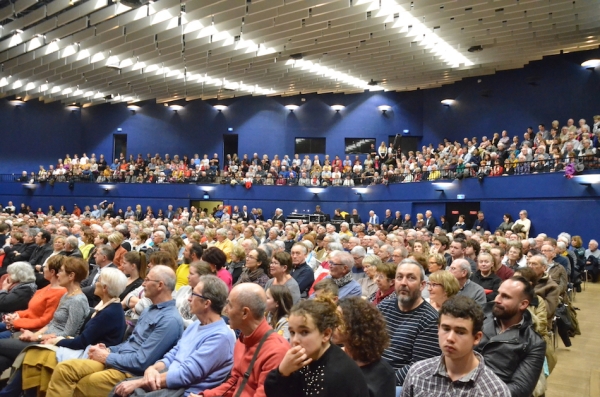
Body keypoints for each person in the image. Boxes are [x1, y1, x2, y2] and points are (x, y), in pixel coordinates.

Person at [44, 265, 184, 397]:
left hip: (130, 373)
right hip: (118, 360)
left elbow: (142, 362)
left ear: (160, 285)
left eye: (147, 280)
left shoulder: (169, 320)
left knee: (85, 384)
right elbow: (130, 343)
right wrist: (108, 350)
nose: (143, 284)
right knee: (65, 369)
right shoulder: (149, 310)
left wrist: (106, 357)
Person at [3, 268, 128, 397]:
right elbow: (52, 323)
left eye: (99, 281)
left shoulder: (107, 312)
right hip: (79, 347)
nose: (95, 283)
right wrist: (38, 336)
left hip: (89, 354)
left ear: (105, 288)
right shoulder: (107, 306)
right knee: (23, 355)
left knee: (33, 353)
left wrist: (52, 340)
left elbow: (81, 340)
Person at [110, 275, 235, 397]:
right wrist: (153, 368)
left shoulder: (221, 337)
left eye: (194, 295)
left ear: (206, 303)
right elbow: (173, 355)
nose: (189, 299)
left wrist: (140, 382)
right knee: (121, 388)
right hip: (168, 381)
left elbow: (185, 375)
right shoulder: (195, 325)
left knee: (126, 390)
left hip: (184, 391)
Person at [191, 283, 288, 397]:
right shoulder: (243, 339)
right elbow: (235, 382)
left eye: (230, 305)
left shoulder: (276, 352)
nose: (225, 311)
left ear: (245, 313)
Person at [401, 296, 510, 397]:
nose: (450, 338)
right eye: (446, 329)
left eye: (460, 332)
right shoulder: (418, 373)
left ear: (476, 337)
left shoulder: (495, 391)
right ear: (438, 329)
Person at [264, 296, 369, 397]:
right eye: (292, 332)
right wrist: (282, 372)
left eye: (304, 332)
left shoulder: (336, 374)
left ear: (326, 334)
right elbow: (273, 392)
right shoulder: (304, 359)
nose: (295, 340)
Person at [0, 257, 90, 374]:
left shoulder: (77, 301)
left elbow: (68, 333)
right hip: (42, 337)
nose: (58, 275)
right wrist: (34, 335)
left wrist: (36, 337)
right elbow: (52, 323)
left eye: (61, 271)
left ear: (71, 276)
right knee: (3, 359)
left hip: (51, 344)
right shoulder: (67, 295)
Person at [475, 277, 546, 397]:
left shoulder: (533, 343)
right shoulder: (478, 316)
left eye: (506, 297)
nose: (497, 299)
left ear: (523, 304)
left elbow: (520, 388)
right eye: (498, 293)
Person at [378, 259, 441, 392]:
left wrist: (380, 382)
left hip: (399, 384)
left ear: (422, 285)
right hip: (372, 372)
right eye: (399, 277)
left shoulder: (430, 319)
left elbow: (417, 368)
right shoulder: (384, 307)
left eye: (411, 278)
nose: (403, 283)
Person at [333, 297, 395, 397]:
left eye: (339, 320)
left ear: (357, 326)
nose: (333, 325)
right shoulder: (331, 358)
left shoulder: (384, 374)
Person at [0, 256, 66, 339]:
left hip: (32, 331)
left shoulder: (60, 292)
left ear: (52, 272)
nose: (42, 269)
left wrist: (16, 322)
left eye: (44, 267)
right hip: (22, 324)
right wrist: (16, 315)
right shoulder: (48, 287)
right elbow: (31, 311)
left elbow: (45, 321)